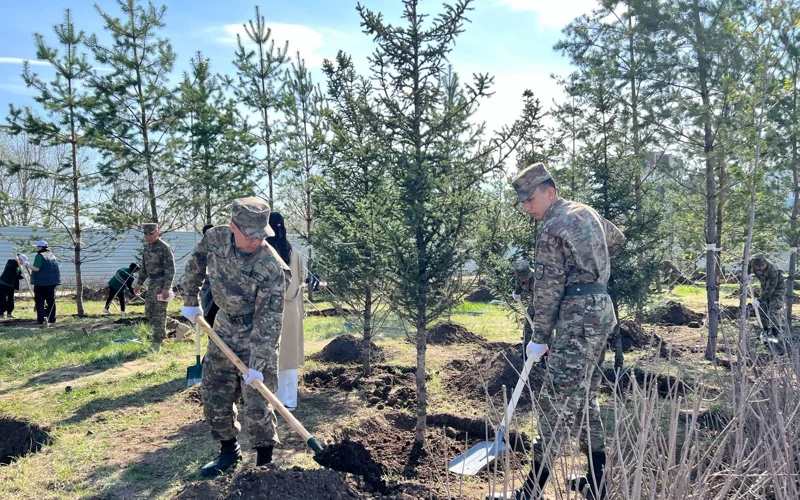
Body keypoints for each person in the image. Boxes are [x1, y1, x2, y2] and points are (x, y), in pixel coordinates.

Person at [503, 163, 625, 500]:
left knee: (555, 403)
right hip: (601, 313)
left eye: (530, 199)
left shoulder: (552, 226)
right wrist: (589, 265)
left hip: (576, 319)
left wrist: (539, 339)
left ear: (549, 192)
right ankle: (597, 484)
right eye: (523, 201)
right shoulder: (586, 213)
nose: (527, 206)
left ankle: (531, 490)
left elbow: (548, 289)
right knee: (585, 400)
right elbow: (616, 239)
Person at [181, 197, 289, 477]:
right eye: (250, 236)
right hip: (223, 328)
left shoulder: (271, 267)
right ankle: (229, 452)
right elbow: (195, 264)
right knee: (214, 391)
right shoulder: (215, 238)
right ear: (233, 227)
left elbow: (270, 320)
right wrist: (191, 299)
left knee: (258, 401)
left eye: (260, 236)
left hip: (256, 332)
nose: (256, 242)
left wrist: (258, 364)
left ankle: (264, 464)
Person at [267, 212, 304, 411]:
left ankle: (272, 398)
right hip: (291, 310)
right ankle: (289, 400)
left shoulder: (263, 252)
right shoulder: (294, 252)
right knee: (289, 354)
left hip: (268, 309)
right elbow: (300, 281)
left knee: (272, 352)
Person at [133, 224, 175, 350]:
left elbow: (170, 270)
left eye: (151, 233)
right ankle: (177, 326)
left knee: (159, 312)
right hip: (152, 283)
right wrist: (139, 284)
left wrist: (166, 288)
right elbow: (144, 268)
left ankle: (158, 342)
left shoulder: (164, 248)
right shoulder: (147, 248)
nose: (148, 236)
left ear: (158, 232)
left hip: (162, 282)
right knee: (149, 312)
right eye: (146, 234)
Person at [749, 253, 786, 342]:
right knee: (762, 309)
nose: (761, 268)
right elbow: (747, 266)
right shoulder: (754, 264)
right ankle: (765, 332)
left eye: (762, 265)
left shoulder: (773, 270)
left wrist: (760, 299)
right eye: (759, 266)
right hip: (765, 288)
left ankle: (774, 334)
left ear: (765, 262)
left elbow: (771, 288)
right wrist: (747, 275)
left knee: (773, 310)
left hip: (777, 289)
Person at [27, 241, 61, 327]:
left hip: (41, 283)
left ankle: (41, 320)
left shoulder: (39, 256)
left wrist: (26, 264)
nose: (37, 248)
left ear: (41, 247)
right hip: (52, 282)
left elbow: (36, 269)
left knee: (40, 301)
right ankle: (52, 319)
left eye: (38, 247)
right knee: (51, 300)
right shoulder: (52, 255)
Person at [200, 224, 220, 326]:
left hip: (223, 289)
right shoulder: (202, 250)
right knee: (208, 316)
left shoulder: (226, 248)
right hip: (208, 288)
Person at [0, 254, 26, 318]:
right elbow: (11, 269)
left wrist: (22, 276)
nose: (22, 263)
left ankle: (9, 313)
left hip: (11, 285)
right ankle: (1, 313)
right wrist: (18, 265)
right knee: (2, 298)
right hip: (3, 283)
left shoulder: (20, 267)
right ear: (19, 259)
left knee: (11, 299)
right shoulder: (11, 262)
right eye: (22, 261)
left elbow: (16, 276)